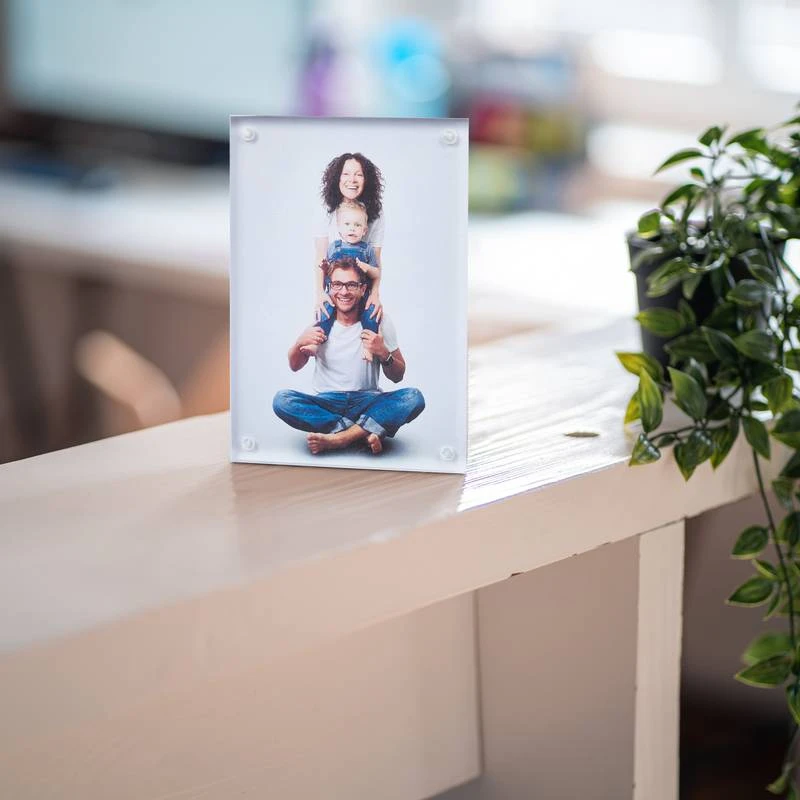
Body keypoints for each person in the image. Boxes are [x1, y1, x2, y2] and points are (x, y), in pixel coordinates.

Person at [274, 257, 424, 456]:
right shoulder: (321, 319)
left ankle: (340, 438)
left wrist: (383, 353)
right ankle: (364, 431)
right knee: (282, 400)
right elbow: (295, 366)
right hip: (328, 402)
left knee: (414, 397)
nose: (344, 292)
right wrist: (299, 342)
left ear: (362, 289)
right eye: (337, 284)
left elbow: (398, 376)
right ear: (330, 288)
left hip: (368, 400)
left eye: (351, 285)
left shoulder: (379, 321)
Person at [314, 153, 385, 326]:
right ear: (337, 178)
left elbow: (376, 262)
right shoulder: (326, 210)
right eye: (346, 174)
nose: (352, 180)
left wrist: (375, 293)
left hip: (361, 287)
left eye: (358, 174)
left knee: (375, 320)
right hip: (335, 287)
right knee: (322, 318)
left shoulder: (376, 212)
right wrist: (320, 294)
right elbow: (321, 258)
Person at [304, 200, 380, 360]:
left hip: (361, 294)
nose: (352, 228)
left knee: (371, 316)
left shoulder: (367, 250)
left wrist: (367, 268)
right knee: (324, 311)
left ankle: (369, 348)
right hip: (337, 294)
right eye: (347, 224)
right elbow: (330, 273)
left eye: (357, 225)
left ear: (364, 230)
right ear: (338, 228)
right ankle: (316, 342)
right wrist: (325, 268)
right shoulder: (334, 247)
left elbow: (376, 273)